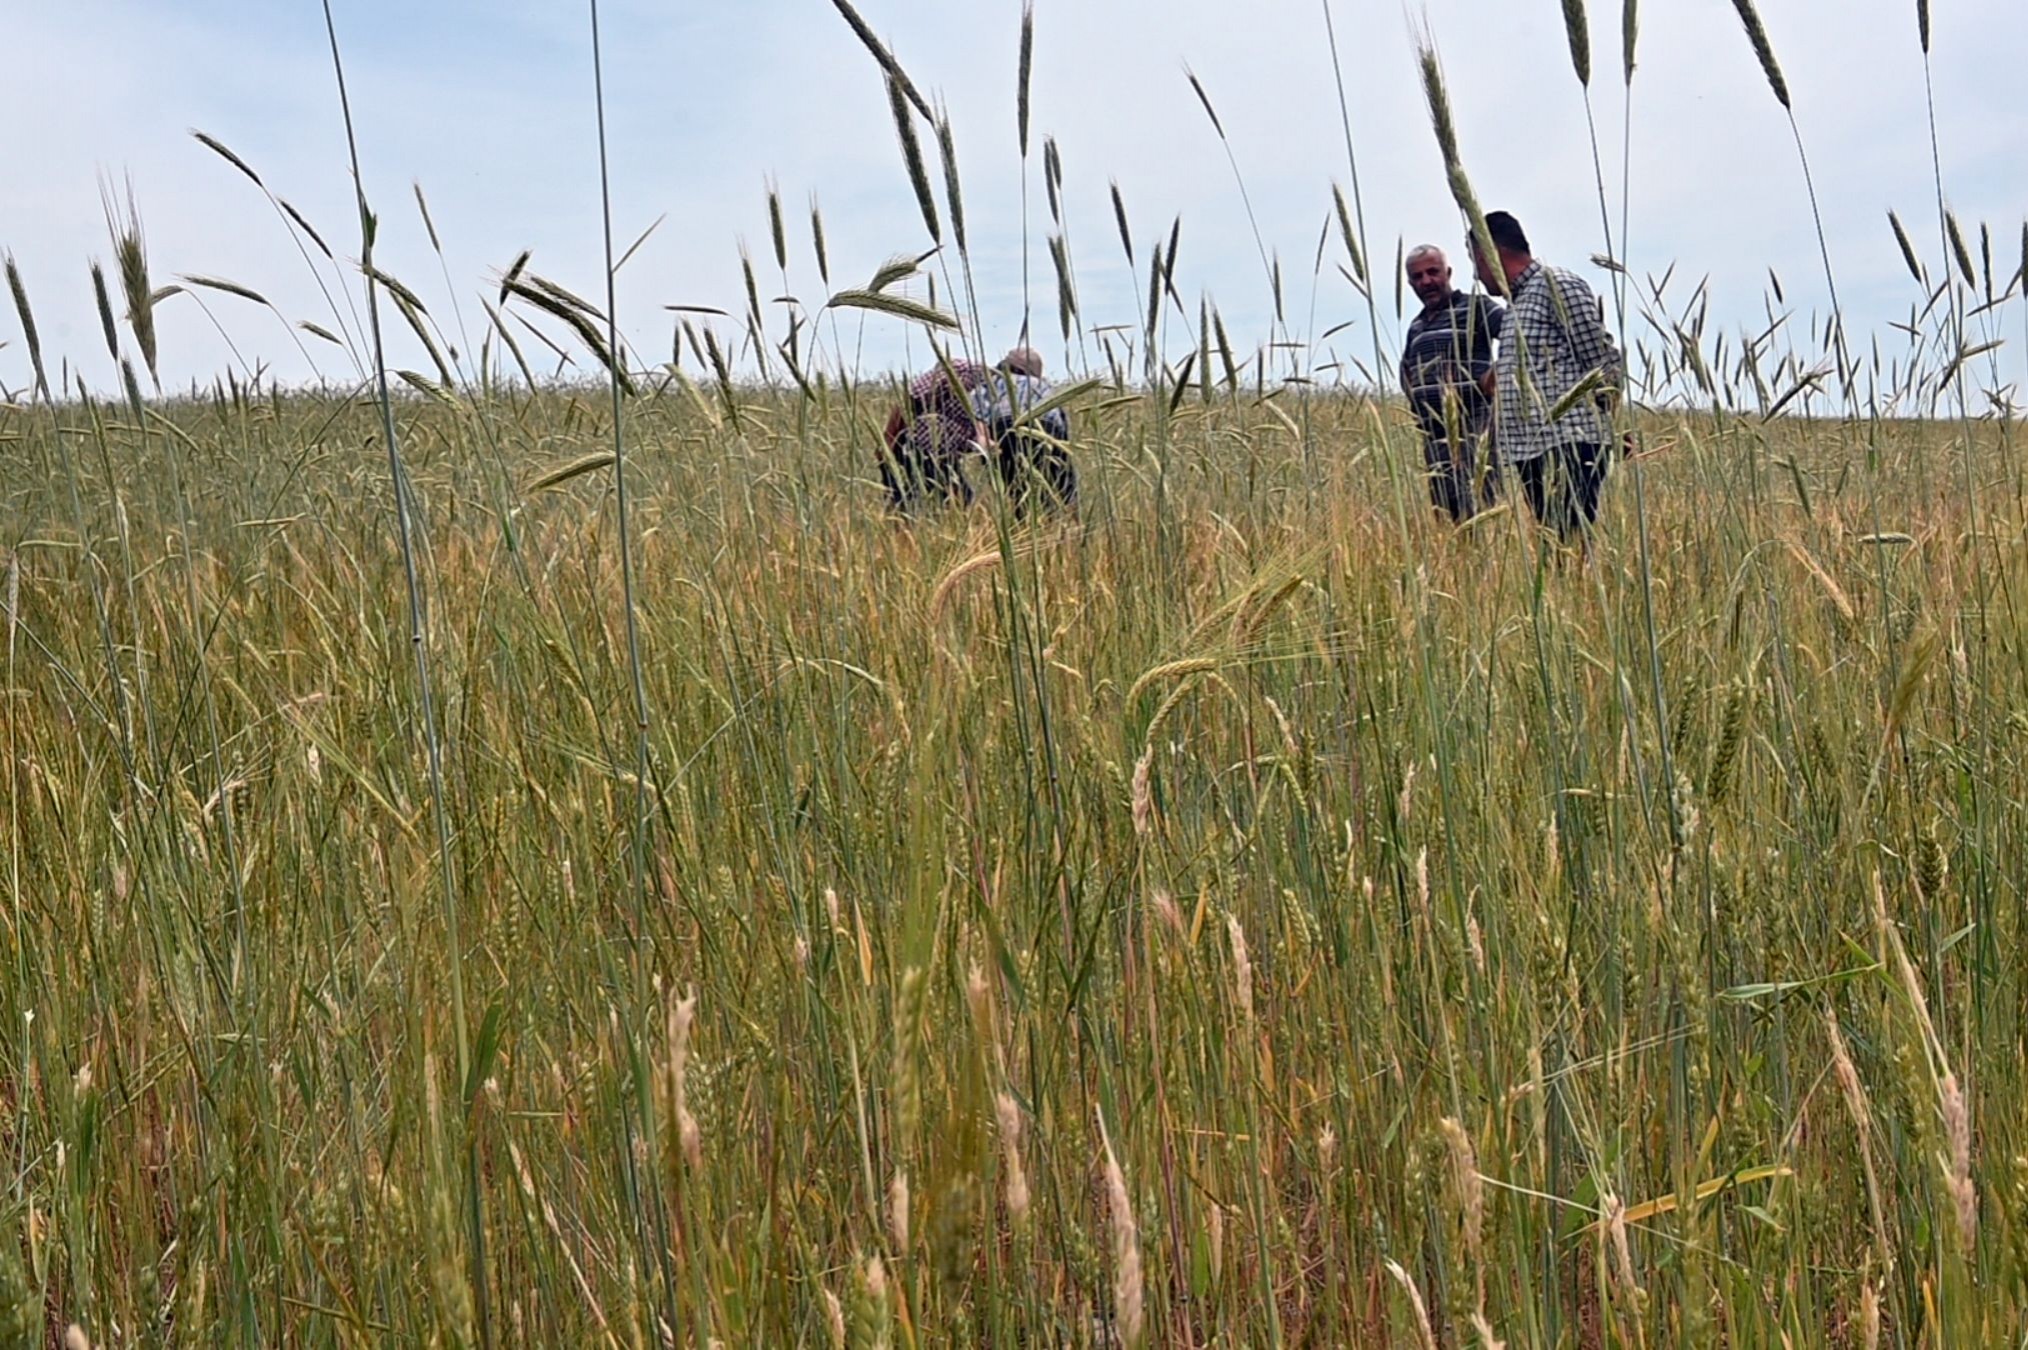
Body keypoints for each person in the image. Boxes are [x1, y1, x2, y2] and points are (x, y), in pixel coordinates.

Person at [1471, 210, 1623, 540]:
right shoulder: (1517, 303)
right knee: (1554, 546)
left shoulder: (1557, 286)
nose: (1477, 275)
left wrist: (1609, 424)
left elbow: (1603, 363)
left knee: (1570, 540)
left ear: (1490, 254)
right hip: (1533, 450)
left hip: (1568, 443)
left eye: (1476, 262)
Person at [1399, 245, 1503, 521]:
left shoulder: (1476, 307)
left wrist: (1493, 378)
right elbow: (1407, 368)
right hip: (1435, 436)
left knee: (1479, 508)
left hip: (1475, 430)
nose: (1426, 281)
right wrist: (1417, 404)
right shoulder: (1416, 326)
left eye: (1433, 272)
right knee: (1447, 516)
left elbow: (1518, 334)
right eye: (1417, 277)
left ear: (1448, 273)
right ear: (1410, 284)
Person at [879, 354, 994, 512]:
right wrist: (887, 445)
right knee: (929, 496)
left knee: (954, 496)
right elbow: (900, 418)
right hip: (921, 452)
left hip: (938, 455)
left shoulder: (957, 400)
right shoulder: (925, 396)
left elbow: (972, 424)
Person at [979, 346, 1076, 517]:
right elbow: (1060, 419)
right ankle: (1073, 523)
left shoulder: (991, 383)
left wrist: (985, 442)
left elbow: (978, 414)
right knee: (1063, 484)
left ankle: (1024, 526)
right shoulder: (1043, 385)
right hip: (1047, 428)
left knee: (1017, 488)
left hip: (1005, 429)